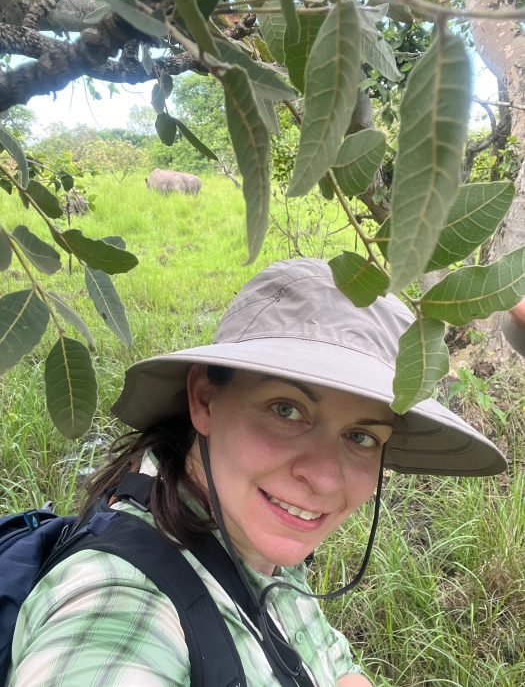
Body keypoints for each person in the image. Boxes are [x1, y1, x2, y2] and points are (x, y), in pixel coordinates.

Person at [8, 258, 506, 686]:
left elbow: (331, 664)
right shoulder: (115, 603)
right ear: (204, 398)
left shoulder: (250, 531)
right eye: (286, 410)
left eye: (361, 437)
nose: (326, 480)